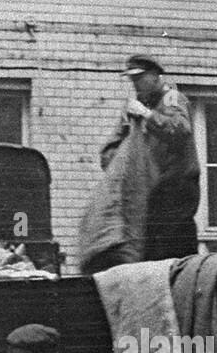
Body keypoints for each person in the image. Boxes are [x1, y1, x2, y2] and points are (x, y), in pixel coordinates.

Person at [78, 54, 202, 272]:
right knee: (149, 253)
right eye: (132, 80)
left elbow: (180, 129)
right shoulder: (134, 110)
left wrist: (146, 115)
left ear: (155, 76)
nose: (135, 85)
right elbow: (109, 154)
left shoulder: (172, 97)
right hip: (149, 192)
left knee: (174, 254)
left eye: (139, 78)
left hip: (176, 189)